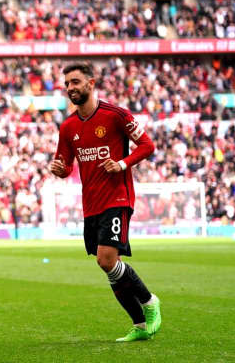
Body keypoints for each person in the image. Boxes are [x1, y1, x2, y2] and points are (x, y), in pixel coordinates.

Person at [49, 62, 162, 342]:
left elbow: (148, 145)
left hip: (117, 197)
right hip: (91, 203)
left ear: (91, 83)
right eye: (67, 84)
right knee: (110, 267)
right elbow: (66, 166)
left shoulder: (116, 115)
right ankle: (139, 325)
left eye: (75, 82)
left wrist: (122, 164)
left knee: (105, 259)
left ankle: (149, 302)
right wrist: (60, 170)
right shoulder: (68, 127)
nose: (70, 88)